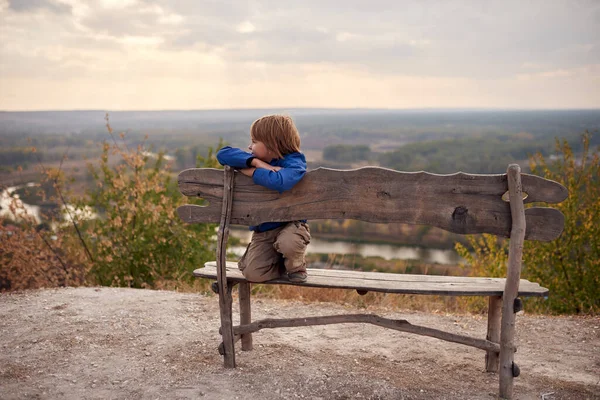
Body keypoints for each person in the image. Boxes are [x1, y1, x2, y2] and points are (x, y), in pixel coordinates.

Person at [216, 114, 310, 283]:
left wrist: (249, 171)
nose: (249, 146)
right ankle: (279, 263)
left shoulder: (295, 162)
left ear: (271, 144)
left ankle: (296, 265)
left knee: (288, 243)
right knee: (253, 274)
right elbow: (223, 154)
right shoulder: (260, 158)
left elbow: (279, 181)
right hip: (265, 230)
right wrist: (256, 163)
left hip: (291, 226)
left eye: (254, 141)